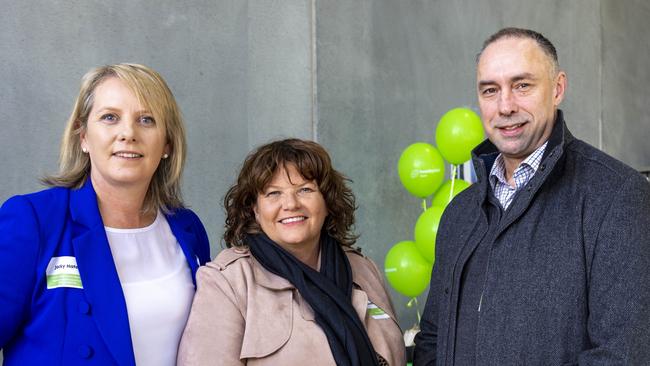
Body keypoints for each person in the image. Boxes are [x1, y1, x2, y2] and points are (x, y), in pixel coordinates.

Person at [413, 28, 650, 365]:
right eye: (490, 90)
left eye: (522, 85)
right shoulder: (460, 213)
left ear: (558, 88)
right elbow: (433, 339)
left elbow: (624, 354)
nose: (505, 106)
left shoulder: (616, 196)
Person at [0, 63, 211, 365]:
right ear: (83, 136)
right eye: (110, 117)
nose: (128, 133)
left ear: (167, 143)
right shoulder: (33, 220)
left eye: (146, 119)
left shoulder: (187, 228)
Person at [177, 138, 406, 365]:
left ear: (327, 202)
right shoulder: (228, 283)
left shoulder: (364, 270)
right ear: (254, 209)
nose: (291, 204)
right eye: (273, 193)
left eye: (305, 189)